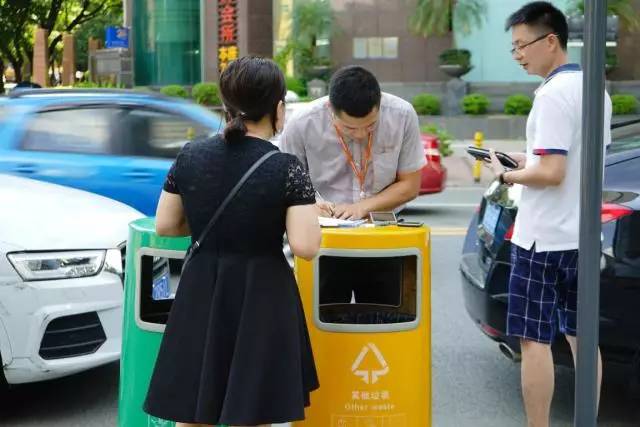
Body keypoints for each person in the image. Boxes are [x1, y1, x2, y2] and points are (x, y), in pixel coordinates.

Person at [144, 56, 322, 427]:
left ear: (226, 106)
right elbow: (305, 245)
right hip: (261, 293)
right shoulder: (286, 167)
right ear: (278, 108)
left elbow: (166, 224)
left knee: (194, 405)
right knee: (252, 407)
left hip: (200, 287)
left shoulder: (190, 155)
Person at [488, 3, 612, 426]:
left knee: (533, 340)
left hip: (542, 239)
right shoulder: (595, 87)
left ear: (551, 41)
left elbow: (553, 173)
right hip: (583, 234)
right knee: (583, 339)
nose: (519, 54)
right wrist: (526, 161)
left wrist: (507, 176)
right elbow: (574, 160)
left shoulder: (551, 94)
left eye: (522, 45)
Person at [280, 65, 425, 220]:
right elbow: (287, 184)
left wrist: (362, 207)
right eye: (349, 128)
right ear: (330, 108)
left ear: (379, 103)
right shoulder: (301, 123)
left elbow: (410, 186)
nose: (360, 134)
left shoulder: (402, 115)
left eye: (371, 125)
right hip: (322, 224)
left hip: (382, 222)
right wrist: (313, 205)